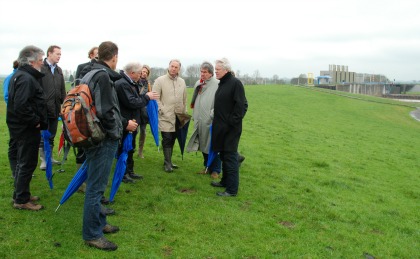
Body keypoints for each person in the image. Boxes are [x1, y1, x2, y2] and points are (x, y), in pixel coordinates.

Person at [82, 41, 135, 251]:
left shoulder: (90, 72)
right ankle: (91, 234)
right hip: (102, 139)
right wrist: (116, 131)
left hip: (90, 135)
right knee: (96, 189)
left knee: (97, 185)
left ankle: (100, 224)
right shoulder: (103, 76)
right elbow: (105, 111)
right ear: (114, 57)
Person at [7, 45, 48, 210]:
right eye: (40, 60)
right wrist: (35, 121)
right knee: (26, 163)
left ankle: (20, 193)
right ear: (31, 62)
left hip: (20, 127)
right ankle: (21, 200)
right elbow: (21, 105)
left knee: (22, 162)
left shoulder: (20, 75)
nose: (42, 64)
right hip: (26, 129)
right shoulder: (25, 78)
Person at [115, 62, 159, 183]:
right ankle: (123, 174)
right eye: (139, 73)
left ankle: (130, 171)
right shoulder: (122, 84)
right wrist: (147, 97)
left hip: (133, 122)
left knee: (130, 148)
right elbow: (132, 102)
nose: (141, 75)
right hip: (126, 123)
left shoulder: (131, 83)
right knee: (124, 148)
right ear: (132, 73)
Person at [210, 58, 246, 197]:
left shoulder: (235, 84)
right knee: (224, 155)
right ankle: (224, 181)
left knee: (230, 158)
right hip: (221, 128)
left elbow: (240, 106)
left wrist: (231, 123)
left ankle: (231, 190)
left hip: (231, 129)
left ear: (226, 70)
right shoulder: (223, 83)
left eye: (217, 70)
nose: (215, 72)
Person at [186, 61, 221, 179]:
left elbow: (219, 103)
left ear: (211, 73)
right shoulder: (198, 83)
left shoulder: (217, 84)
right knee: (202, 143)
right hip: (199, 119)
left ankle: (216, 170)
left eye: (205, 72)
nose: (202, 74)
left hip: (210, 120)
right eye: (201, 71)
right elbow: (195, 99)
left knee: (212, 144)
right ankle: (207, 166)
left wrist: (213, 115)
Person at [153, 59, 187, 172]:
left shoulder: (182, 81)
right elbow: (155, 97)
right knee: (167, 138)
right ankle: (167, 164)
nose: (173, 68)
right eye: (172, 66)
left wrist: (184, 111)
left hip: (178, 116)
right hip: (165, 116)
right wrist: (161, 109)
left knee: (173, 138)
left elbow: (184, 98)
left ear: (179, 69)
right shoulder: (160, 80)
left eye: (176, 67)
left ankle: (169, 161)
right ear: (169, 66)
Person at [39, 45, 66, 170]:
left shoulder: (59, 70)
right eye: (57, 54)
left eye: (60, 54)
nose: (59, 56)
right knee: (43, 134)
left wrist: (63, 105)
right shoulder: (41, 69)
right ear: (49, 53)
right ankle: (43, 159)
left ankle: (49, 157)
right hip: (43, 108)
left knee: (52, 134)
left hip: (55, 108)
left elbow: (62, 89)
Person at [137, 65, 152, 158]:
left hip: (144, 111)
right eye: (143, 71)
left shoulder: (148, 84)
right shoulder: (135, 82)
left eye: (146, 72)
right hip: (135, 110)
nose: (144, 73)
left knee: (143, 131)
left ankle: (140, 151)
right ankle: (129, 148)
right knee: (134, 131)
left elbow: (151, 97)